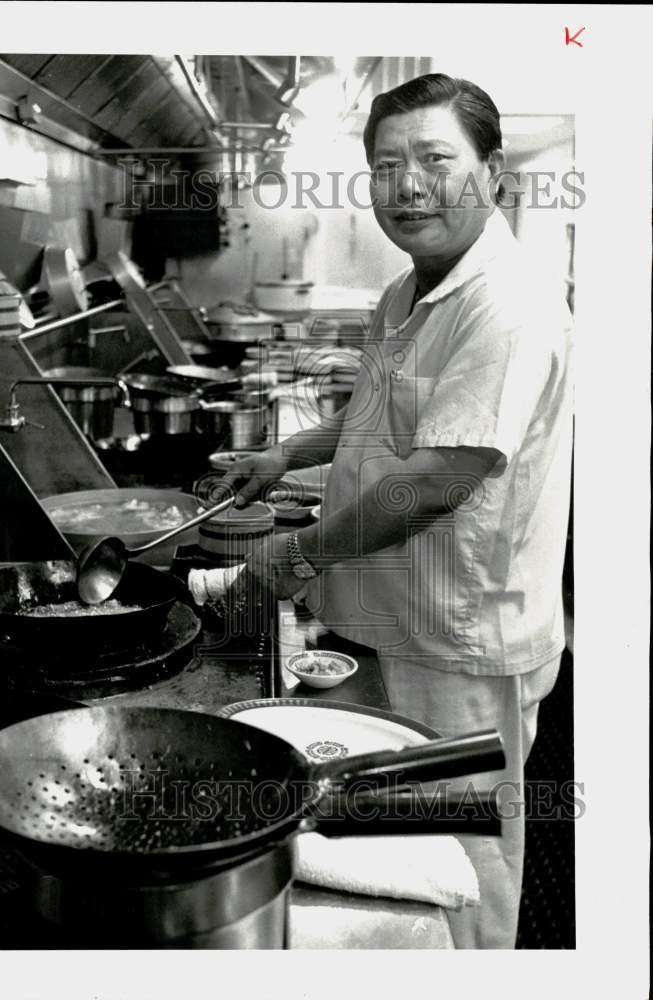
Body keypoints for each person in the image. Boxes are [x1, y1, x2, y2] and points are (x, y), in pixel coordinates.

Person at [222, 73, 573, 949]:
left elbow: (437, 476)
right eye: (385, 166)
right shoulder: (405, 291)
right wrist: (284, 455)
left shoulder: (507, 303)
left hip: (461, 636)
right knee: (407, 838)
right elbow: (379, 417)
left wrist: (296, 555)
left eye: (434, 160)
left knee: (465, 861)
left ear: (490, 173)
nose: (407, 184)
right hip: (397, 613)